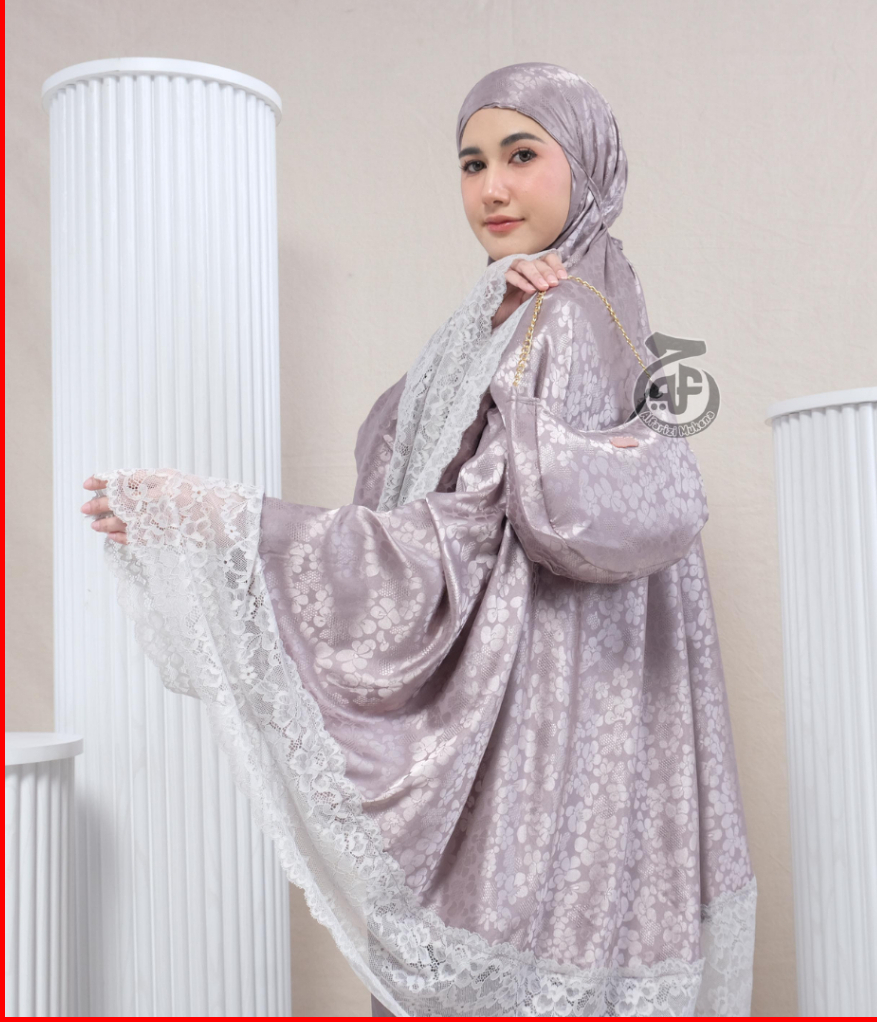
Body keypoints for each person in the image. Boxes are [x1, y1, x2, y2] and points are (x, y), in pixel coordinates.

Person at [81, 62, 756, 1017]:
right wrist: (479, 317)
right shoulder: (570, 307)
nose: (492, 189)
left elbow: (462, 544)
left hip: (537, 752)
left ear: (587, 165)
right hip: (594, 752)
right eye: (472, 164)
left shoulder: (561, 318)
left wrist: (230, 525)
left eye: (521, 155)